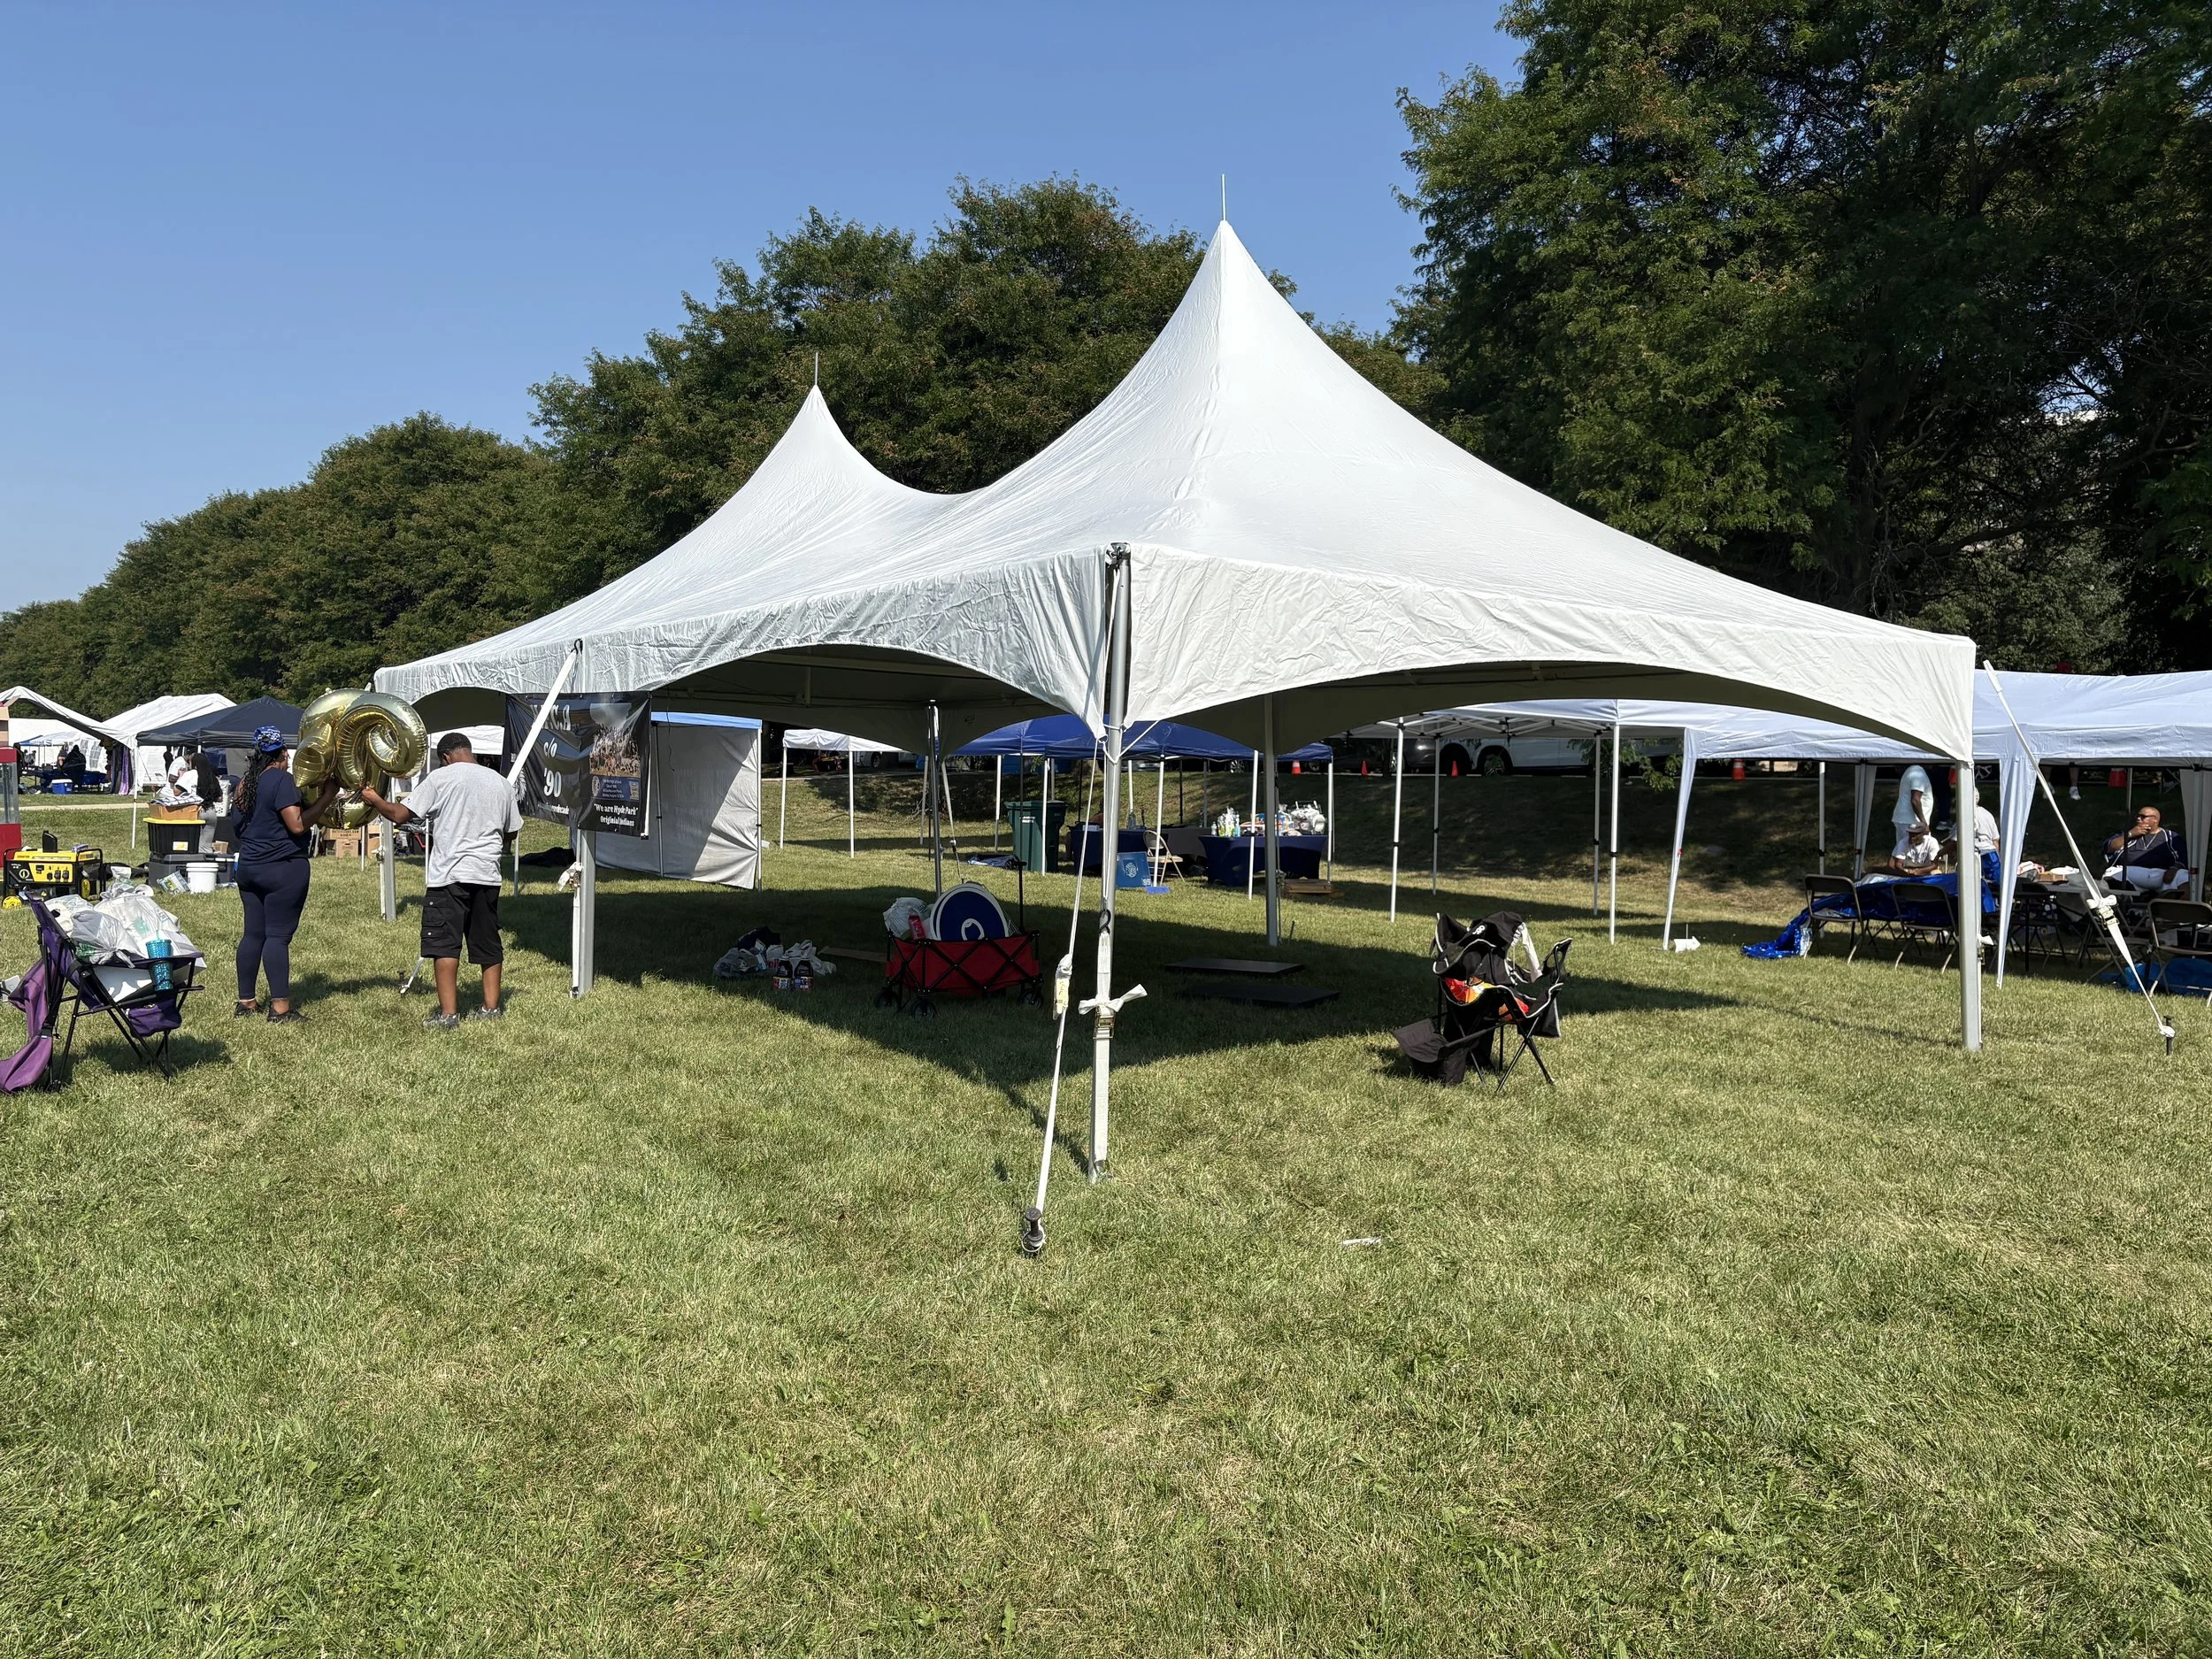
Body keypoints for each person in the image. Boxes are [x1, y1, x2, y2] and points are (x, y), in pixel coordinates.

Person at [359, 732, 521, 1031]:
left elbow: (400, 815)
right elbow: (511, 831)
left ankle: (449, 1015)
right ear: (469, 751)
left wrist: (374, 799)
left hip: (449, 875)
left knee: (444, 944)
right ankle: (491, 1008)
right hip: (487, 874)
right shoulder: (501, 783)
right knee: (487, 942)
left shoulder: (440, 779)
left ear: (445, 757)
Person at [233, 724, 340, 1023]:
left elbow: (239, 825)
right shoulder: (280, 779)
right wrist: (327, 797)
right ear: (284, 752)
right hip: (282, 867)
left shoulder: (245, 784)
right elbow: (296, 825)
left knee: (252, 934)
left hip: (250, 867)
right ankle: (280, 1009)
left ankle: (246, 1002)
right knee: (277, 937)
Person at [2103, 805, 2188, 891]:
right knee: (2110, 874)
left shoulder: (2170, 837)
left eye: (2143, 817)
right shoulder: (2127, 833)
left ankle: (2169, 900)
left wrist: (2174, 868)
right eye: (2137, 816)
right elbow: (2109, 848)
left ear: (2155, 819)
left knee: (2184, 876)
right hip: (2131, 874)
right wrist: (2130, 834)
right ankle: (2128, 897)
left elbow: (2184, 855)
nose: (2138, 819)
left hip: (2162, 875)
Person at [1892, 763, 1934, 845]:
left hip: (1907, 821)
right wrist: (1924, 823)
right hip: (1913, 823)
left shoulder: (1912, 771)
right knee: (1917, 853)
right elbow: (1915, 800)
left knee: (1904, 852)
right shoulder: (1918, 774)